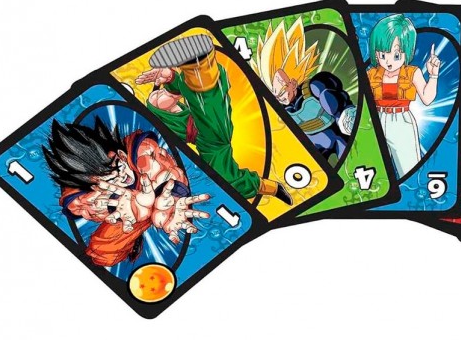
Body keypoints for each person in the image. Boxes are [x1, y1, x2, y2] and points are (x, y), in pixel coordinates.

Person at [135, 33, 292, 204]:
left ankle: (197, 67)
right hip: (202, 139)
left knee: (207, 112)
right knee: (224, 177)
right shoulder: (205, 144)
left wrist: (172, 80)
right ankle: (192, 71)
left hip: (203, 132)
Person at [43, 117, 210, 267]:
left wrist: (172, 199)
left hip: (157, 196)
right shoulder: (83, 199)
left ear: (121, 156)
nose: (121, 177)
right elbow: (103, 253)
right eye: (110, 179)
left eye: (118, 167)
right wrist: (122, 207)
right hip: (125, 218)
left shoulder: (142, 152)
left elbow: (167, 173)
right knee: (100, 252)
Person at [250, 18, 356, 164]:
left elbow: (336, 96)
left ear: (293, 83)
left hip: (335, 135)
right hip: (312, 148)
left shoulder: (313, 87)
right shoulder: (279, 109)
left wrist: (343, 116)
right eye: (274, 95)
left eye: (281, 92)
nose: (280, 98)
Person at [365, 14, 441, 177]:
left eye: (396, 55)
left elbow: (427, 99)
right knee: (372, 171)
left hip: (402, 122)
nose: (389, 62)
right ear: (376, 53)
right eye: (382, 55)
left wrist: (433, 75)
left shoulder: (412, 73)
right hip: (375, 119)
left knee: (409, 169)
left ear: (407, 52)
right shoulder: (371, 74)